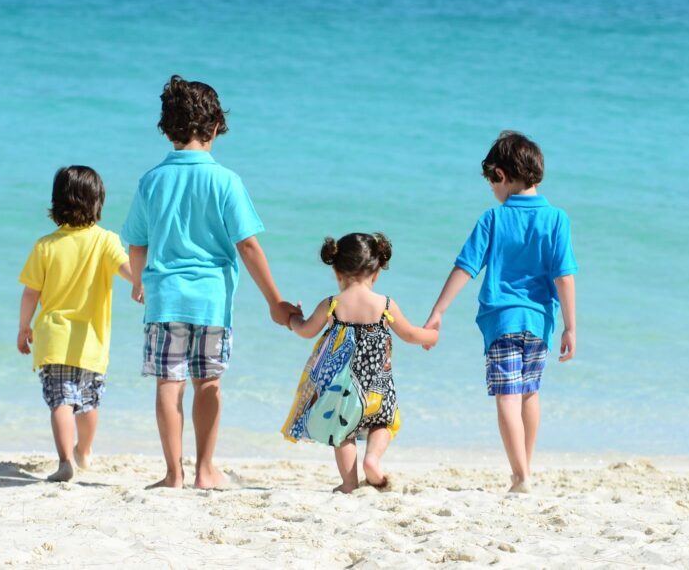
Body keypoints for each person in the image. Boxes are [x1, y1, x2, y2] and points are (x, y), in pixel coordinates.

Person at [121, 75, 300, 490]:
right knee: (209, 383)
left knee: (169, 383)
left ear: (167, 128)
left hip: (164, 299)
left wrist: (139, 281)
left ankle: (173, 474)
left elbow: (137, 242)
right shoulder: (225, 181)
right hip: (212, 301)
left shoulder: (151, 180)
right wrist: (274, 301)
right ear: (216, 127)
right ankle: (205, 470)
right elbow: (248, 247)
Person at [424, 131, 578, 493]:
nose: (492, 190)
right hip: (540, 322)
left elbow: (465, 268)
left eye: (491, 181)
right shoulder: (557, 219)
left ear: (500, 175)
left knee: (507, 396)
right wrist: (571, 327)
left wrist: (438, 310)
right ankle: (525, 469)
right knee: (529, 393)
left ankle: (520, 476)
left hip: (503, 321)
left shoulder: (493, 219)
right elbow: (564, 277)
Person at [283, 233, 437, 493]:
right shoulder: (385, 304)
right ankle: (372, 460)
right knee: (382, 421)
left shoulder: (332, 304)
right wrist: (431, 336)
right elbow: (410, 334)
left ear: (336, 271)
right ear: (376, 273)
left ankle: (349, 483)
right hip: (376, 382)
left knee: (342, 431)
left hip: (340, 383)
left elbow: (306, 330)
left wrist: (292, 319)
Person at [17, 165, 135, 482]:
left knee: (61, 402)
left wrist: (24, 327)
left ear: (56, 203)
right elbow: (127, 270)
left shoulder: (45, 245)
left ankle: (65, 461)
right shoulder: (106, 241)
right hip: (92, 343)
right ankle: (84, 450)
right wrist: (142, 285)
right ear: (98, 202)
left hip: (54, 340)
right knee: (88, 403)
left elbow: (30, 293)